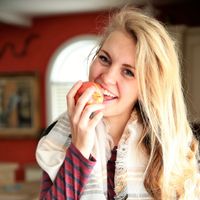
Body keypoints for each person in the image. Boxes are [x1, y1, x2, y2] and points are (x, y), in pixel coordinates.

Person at [36, 6, 200, 200]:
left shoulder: (174, 146)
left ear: (147, 87)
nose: (107, 77)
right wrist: (79, 149)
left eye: (128, 71)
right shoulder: (58, 136)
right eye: (104, 59)